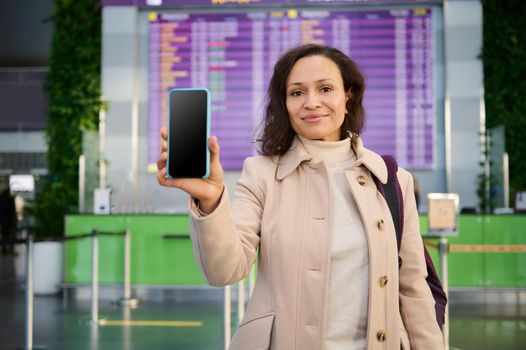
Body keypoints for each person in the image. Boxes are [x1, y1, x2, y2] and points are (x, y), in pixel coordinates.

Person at [157, 44, 443, 350]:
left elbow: (413, 288)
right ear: (284, 103)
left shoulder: (391, 179)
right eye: (297, 93)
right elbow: (224, 271)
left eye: (325, 88)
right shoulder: (261, 174)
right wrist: (211, 201)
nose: (312, 102)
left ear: (348, 95)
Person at [0, 187, 17, 255]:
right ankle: (10, 250)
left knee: (4, 235)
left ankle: (4, 250)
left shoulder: (1, 197)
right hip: (9, 219)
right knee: (11, 235)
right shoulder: (10, 197)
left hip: (3, 219)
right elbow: (12, 209)